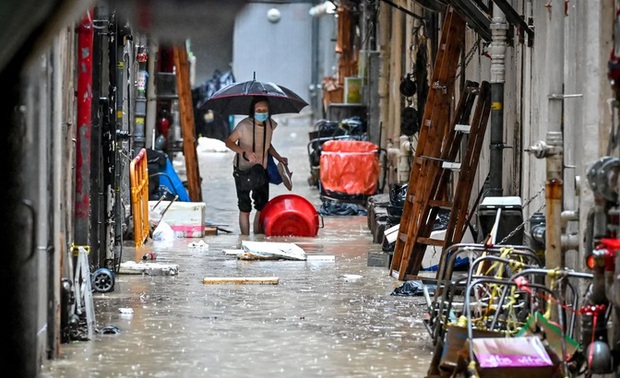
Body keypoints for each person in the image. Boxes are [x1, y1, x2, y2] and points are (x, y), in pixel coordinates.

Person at [224, 96, 288, 235]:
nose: (262, 112)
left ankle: (258, 238)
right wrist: (244, 152)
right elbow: (229, 142)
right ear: (253, 111)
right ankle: (245, 239)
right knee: (245, 208)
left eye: (265, 110)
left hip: (261, 170)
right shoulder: (243, 126)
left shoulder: (270, 125)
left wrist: (279, 157)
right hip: (243, 171)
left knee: (262, 206)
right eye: (258, 110)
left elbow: (267, 144)